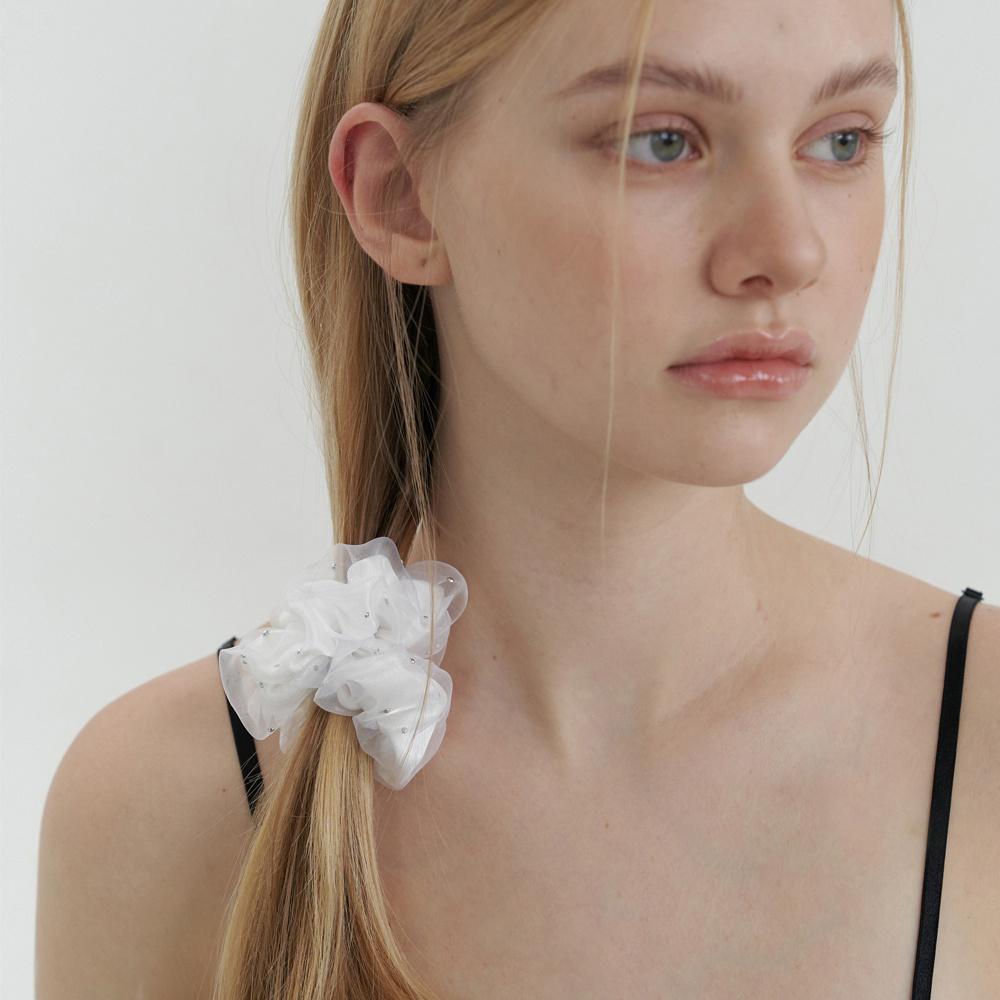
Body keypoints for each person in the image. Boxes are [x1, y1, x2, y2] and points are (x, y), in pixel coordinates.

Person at [36, 0, 1000, 997]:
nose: (790, 251)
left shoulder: (983, 741)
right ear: (401, 197)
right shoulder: (166, 808)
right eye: (662, 140)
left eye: (842, 140)